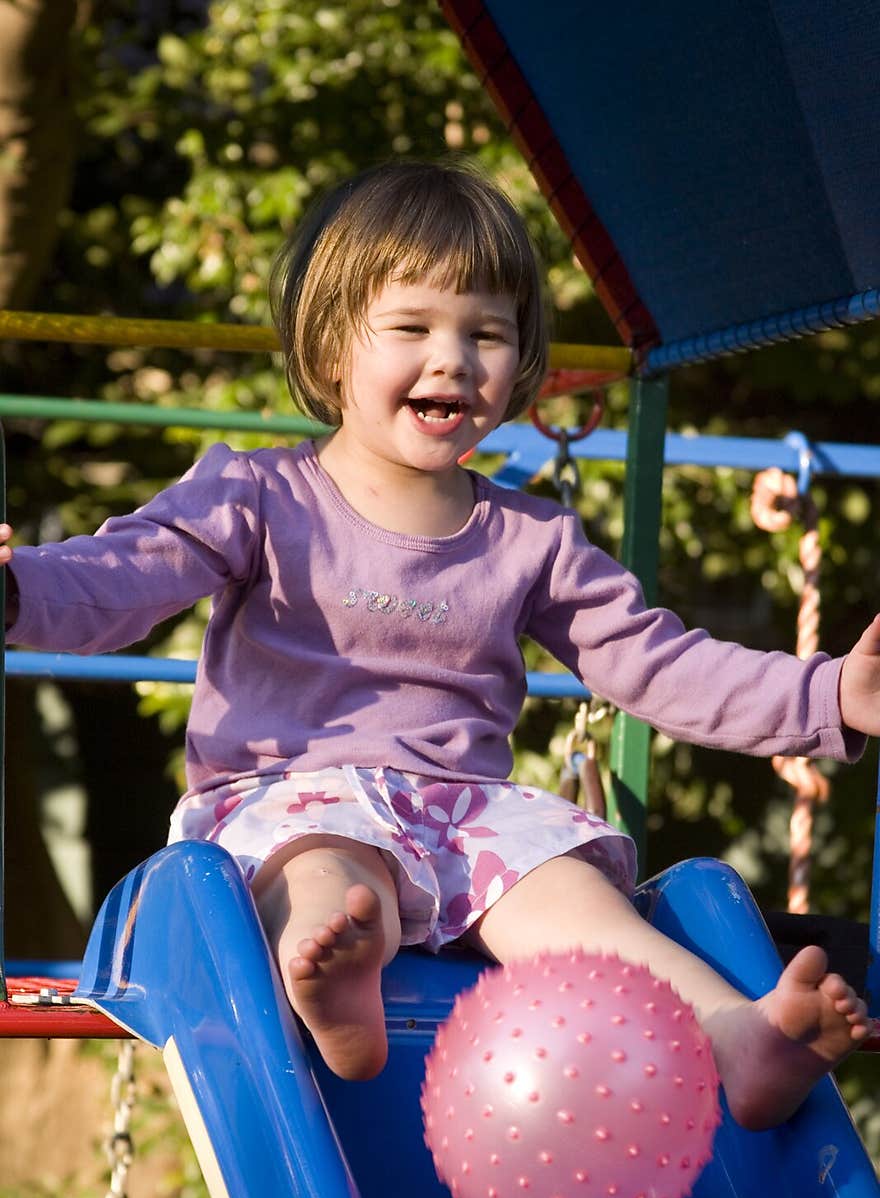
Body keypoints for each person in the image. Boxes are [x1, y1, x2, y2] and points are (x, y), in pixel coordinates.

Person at [3, 159, 878, 1130]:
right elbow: (115, 581)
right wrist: (14, 591)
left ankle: (738, 1038)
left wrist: (830, 695)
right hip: (293, 791)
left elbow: (656, 664)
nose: (452, 359)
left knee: (575, 902)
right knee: (329, 871)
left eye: (486, 333)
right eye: (413, 328)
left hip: (465, 817)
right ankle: (333, 970)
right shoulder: (254, 496)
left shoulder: (531, 539)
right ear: (333, 346)